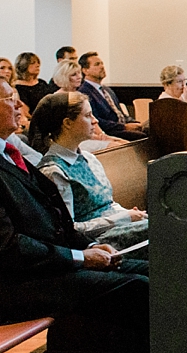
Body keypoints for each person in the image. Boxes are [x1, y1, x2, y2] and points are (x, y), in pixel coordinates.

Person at [0, 73, 149, 353]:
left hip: (39, 271)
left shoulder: (3, 153)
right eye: (9, 98)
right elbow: (2, 247)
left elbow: (54, 215)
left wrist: (87, 246)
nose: (19, 104)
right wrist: (78, 257)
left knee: (152, 270)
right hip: (3, 287)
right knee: (137, 287)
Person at [29, 92, 148, 249]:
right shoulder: (53, 171)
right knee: (165, 230)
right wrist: (123, 218)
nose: (95, 121)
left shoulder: (89, 158)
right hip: (96, 243)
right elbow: (69, 228)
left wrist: (128, 213)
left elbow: (107, 203)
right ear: (67, 123)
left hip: (117, 227)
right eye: (88, 115)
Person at [77, 52, 147, 140]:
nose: (102, 67)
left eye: (102, 63)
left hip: (121, 127)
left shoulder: (107, 90)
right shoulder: (84, 92)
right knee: (143, 137)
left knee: (149, 129)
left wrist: (135, 122)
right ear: (85, 70)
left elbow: (120, 113)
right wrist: (124, 127)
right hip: (109, 131)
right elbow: (97, 119)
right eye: (97, 64)